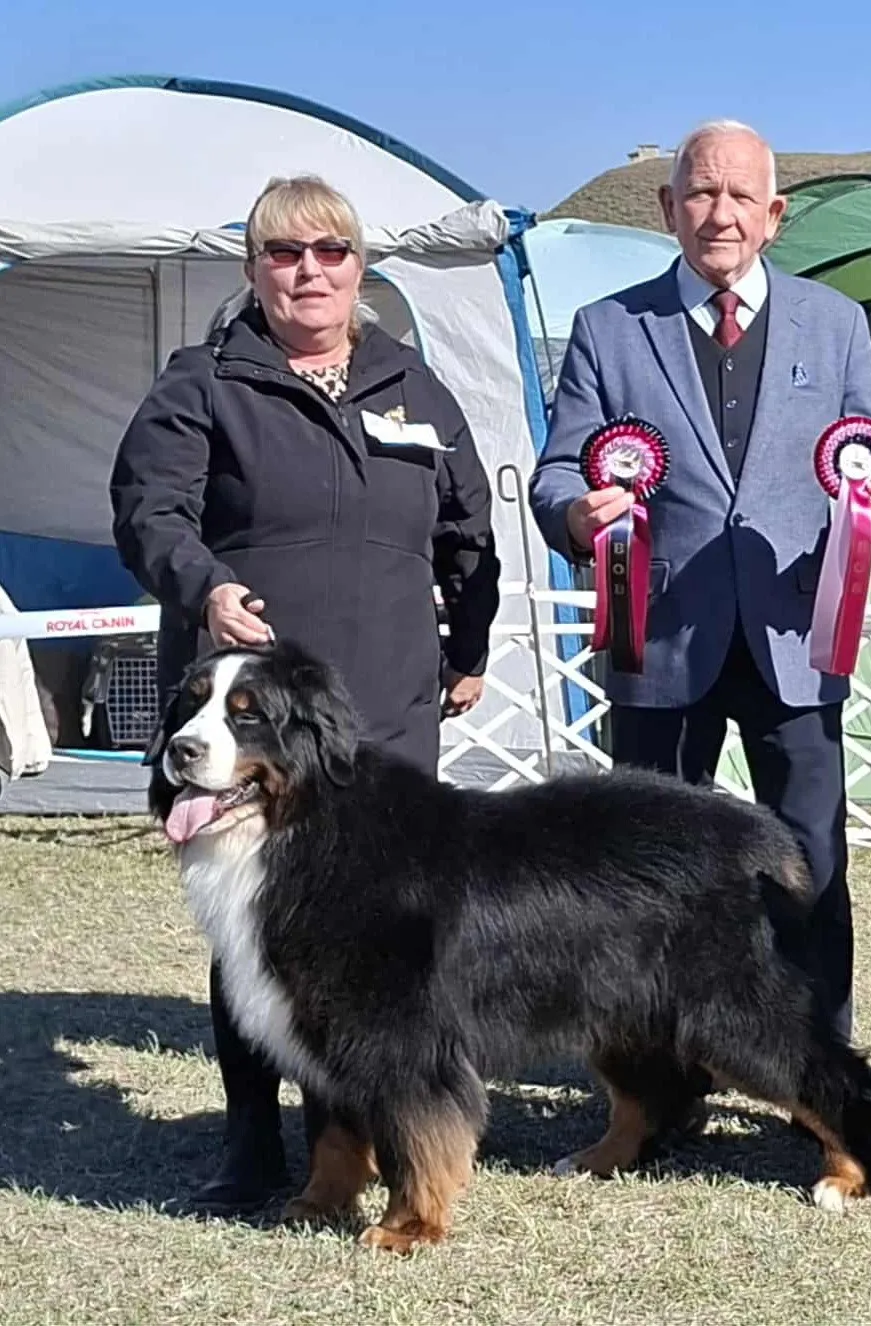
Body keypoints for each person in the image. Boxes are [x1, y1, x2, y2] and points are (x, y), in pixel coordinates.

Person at [109, 174, 501, 1210]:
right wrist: (207, 587)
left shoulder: (415, 384)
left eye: (329, 252)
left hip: (388, 715)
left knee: (380, 947)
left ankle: (369, 1140)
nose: (308, 272)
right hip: (254, 717)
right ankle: (252, 1147)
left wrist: (469, 648)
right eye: (284, 254)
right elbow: (149, 512)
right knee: (258, 931)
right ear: (253, 271)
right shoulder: (204, 382)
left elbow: (468, 533)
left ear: (360, 268)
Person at [529, 120, 871, 1053]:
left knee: (814, 863)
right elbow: (555, 473)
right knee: (642, 875)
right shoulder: (608, 329)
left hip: (795, 634)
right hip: (657, 636)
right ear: (668, 209)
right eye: (701, 192)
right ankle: (655, 1080)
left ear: (775, 215)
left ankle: (820, 1065)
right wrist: (579, 516)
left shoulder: (839, 325)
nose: (721, 214)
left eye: (742, 196)